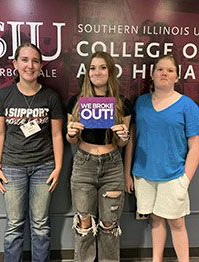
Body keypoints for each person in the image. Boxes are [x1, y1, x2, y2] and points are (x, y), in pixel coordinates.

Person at [0, 42, 64, 262]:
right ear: (15, 64)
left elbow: (57, 135)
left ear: (41, 66)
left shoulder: (51, 97)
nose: (29, 65)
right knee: (14, 225)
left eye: (35, 61)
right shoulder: (3, 95)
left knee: (41, 225)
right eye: (24, 60)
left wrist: (58, 167)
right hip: (12, 168)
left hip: (44, 167)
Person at [129, 54, 197, 261]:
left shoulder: (188, 106)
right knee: (156, 220)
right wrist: (127, 174)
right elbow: (132, 139)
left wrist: (185, 179)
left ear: (177, 77)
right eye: (160, 69)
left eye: (169, 70)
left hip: (174, 175)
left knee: (177, 223)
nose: (164, 73)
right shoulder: (140, 103)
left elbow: (195, 147)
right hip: (144, 174)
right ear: (152, 75)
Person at [64, 51, 131, 261]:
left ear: (110, 71)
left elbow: (122, 143)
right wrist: (71, 133)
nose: (97, 72)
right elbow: (71, 140)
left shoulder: (122, 103)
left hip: (112, 166)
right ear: (87, 72)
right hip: (84, 164)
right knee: (84, 223)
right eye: (92, 68)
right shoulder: (76, 101)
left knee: (109, 225)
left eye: (102, 67)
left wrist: (123, 135)